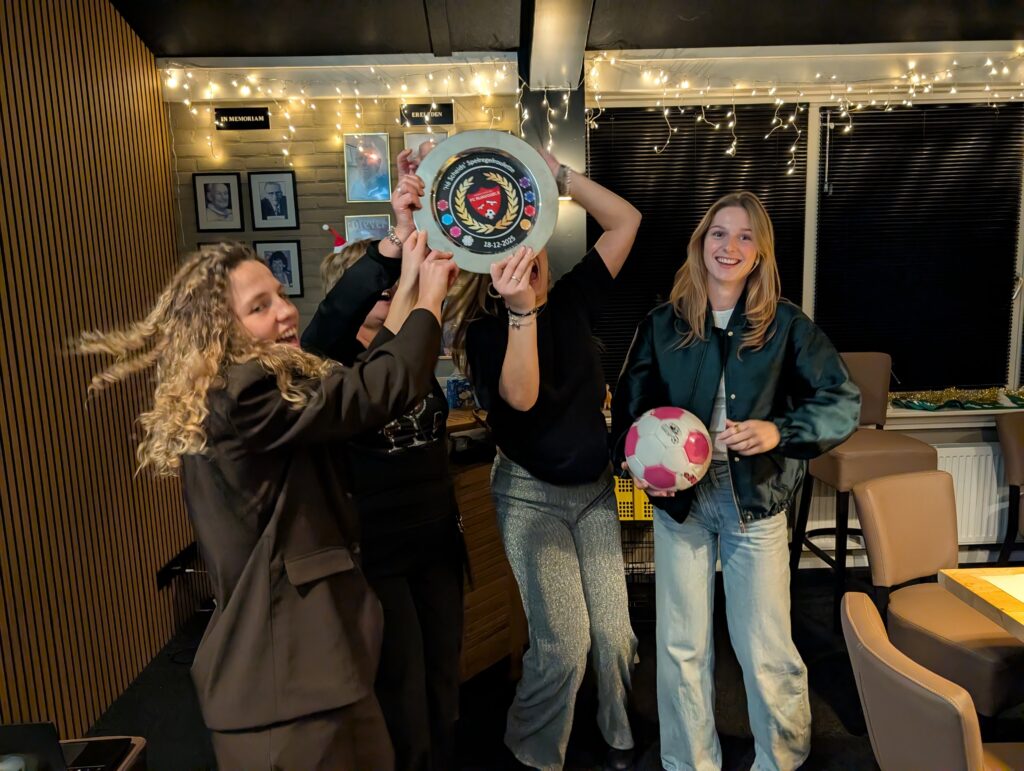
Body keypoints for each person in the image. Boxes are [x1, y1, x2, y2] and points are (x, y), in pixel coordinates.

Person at [75, 240, 459, 770]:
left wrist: (412, 276)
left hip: (320, 668)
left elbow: (361, 377)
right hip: (285, 682)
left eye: (280, 295)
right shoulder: (242, 393)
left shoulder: (254, 383)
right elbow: (377, 389)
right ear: (218, 330)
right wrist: (429, 300)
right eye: (259, 306)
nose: (285, 311)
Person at [611, 191, 860, 771]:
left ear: (760, 252)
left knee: (764, 646)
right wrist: (641, 466)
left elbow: (842, 400)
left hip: (755, 498)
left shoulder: (787, 325)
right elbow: (630, 408)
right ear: (701, 243)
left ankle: (781, 760)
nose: (730, 246)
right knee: (681, 645)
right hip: (682, 501)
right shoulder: (663, 324)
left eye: (746, 236)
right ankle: (688, 761)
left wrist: (779, 431)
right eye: (719, 233)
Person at [446, 151, 642, 771]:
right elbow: (523, 396)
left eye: (533, 247)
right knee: (563, 648)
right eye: (515, 253)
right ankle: (532, 751)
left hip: (594, 492)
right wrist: (521, 311)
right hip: (530, 498)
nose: (530, 259)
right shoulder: (485, 331)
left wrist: (559, 177)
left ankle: (618, 736)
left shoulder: (575, 298)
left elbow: (626, 221)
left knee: (615, 637)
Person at [302, 154, 464, 771]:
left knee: (444, 683)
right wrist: (396, 247)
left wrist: (418, 228)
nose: (392, 291)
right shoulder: (327, 366)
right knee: (403, 689)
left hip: (436, 541)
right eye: (380, 284)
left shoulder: (411, 349)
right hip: (377, 551)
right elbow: (366, 356)